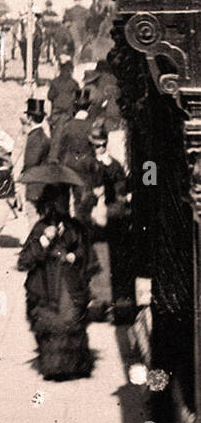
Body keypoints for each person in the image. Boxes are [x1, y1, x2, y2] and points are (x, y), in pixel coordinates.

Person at [17, 184, 95, 381]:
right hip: (45, 288)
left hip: (69, 286)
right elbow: (24, 261)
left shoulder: (75, 228)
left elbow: (86, 255)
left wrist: (73, 256)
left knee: (70, 321)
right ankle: (54, 368)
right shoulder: (40, 229)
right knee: (51, 324)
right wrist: (44, 240)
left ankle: (74, 366)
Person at [88, 124, 134, 324]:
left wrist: (104, 206)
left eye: (98, 145)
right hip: (98, 224)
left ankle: (112, 304)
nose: (97, 149)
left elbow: (121, 196)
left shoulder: (112, 167)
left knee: (109, 262)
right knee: (101, 263)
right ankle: (102, 303)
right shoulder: (98, 165)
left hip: (110, 223)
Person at [51, 87, 99, 225]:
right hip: (85, 169)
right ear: (89, 107)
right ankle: (81, 230)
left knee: (63, 202)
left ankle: (66, 228)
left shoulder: (66, 125)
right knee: (81, 203)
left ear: (75, 107)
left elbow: (59, 146)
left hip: (67, 167)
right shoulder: (92, 126)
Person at [47, 54, 79, 136]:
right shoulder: (74, 83)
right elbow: (78, 99)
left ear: (60, 69)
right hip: (69, 115)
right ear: (70, 71)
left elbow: (50, 96)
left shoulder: (55, 82)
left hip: (56, 115)